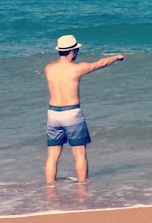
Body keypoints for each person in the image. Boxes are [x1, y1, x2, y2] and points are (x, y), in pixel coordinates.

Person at [44, 34, 124, 184]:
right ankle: (82, 187)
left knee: (52, 155)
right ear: (73, 51)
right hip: (71, 113)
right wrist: (116, 57)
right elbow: (101, 64)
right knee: (79, 153)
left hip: (53, 114)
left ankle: (50, 187)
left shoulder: (48, 68)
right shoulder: (77, 69)